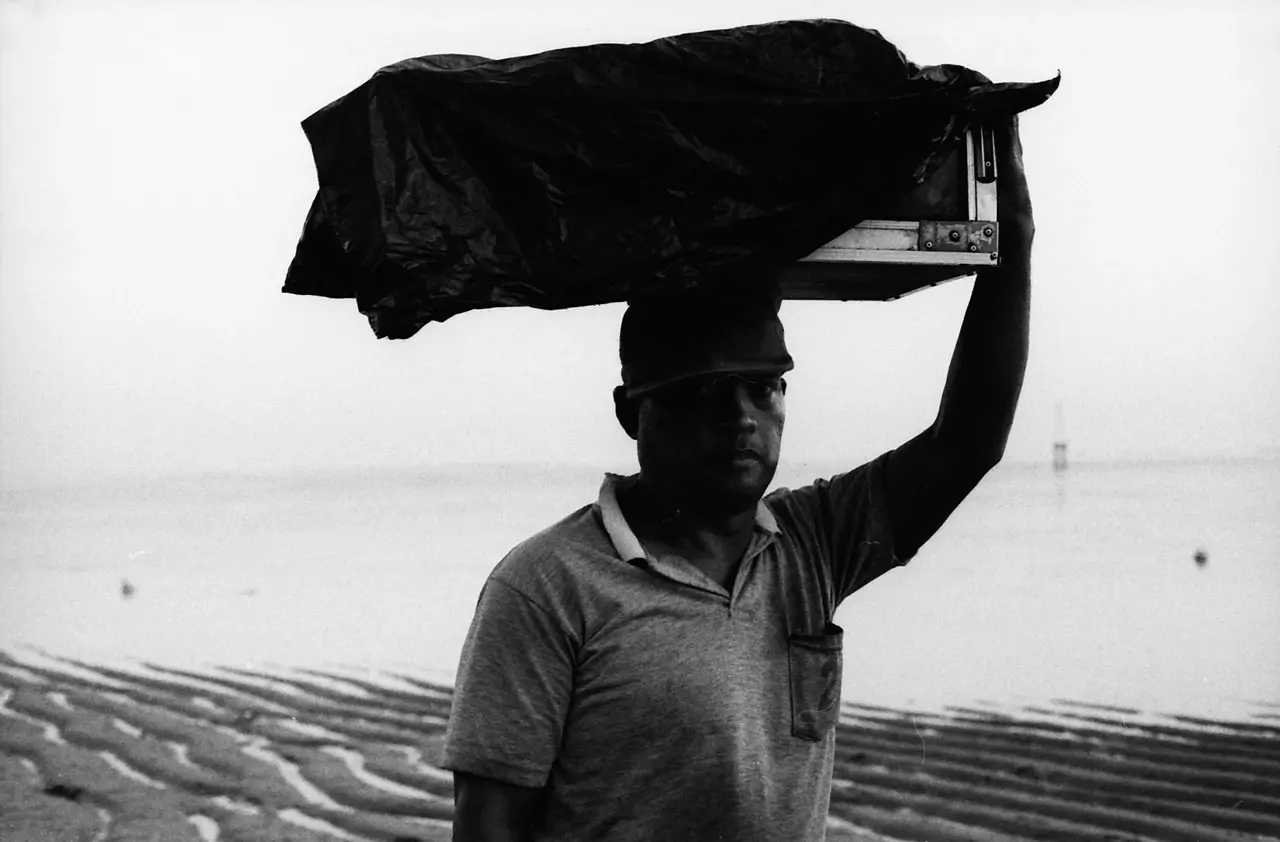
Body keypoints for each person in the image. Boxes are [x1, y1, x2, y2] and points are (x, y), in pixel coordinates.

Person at [442, 118, 1034, 841]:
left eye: (764, 389)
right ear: (633, 414)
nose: (742, 419)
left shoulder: (810, 545)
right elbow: (488, 827)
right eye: (703, 393)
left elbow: (968, 441)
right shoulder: (546, 587)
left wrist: (1015, 248)